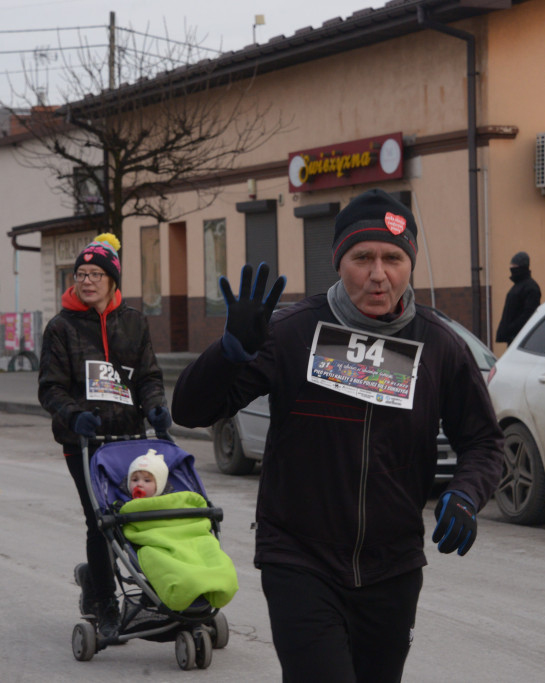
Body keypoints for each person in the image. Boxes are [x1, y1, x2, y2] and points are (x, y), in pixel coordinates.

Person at [171, 188, 504, 682]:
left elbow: (484, 441)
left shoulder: (439, 347)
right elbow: (192, 409)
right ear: (337, 261)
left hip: (392, 567)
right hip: (300, 560)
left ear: (409, 263)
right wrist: (230, 352)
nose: (378, 273)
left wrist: (466, 493)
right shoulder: (293, 332)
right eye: (362, 257)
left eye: (393, 258)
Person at [37, 232, 172, 639]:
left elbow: (147, 375)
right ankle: (104, 601)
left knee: (142, 517)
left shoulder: (132, 323)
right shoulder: (60, 327)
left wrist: (155, 407)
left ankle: (152, 594)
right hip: (83, 441)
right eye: (81, 274)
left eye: (96, 273)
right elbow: (50, 387)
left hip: (130, 438)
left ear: (113, 281)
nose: (87, 281)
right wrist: (73, 415)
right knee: (101, 522)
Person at [117, 449, 238, 612]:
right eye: (134, 479)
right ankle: (185, 586)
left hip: (188, 539)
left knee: (208, 548)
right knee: (158, 559)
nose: (139, 484)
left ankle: (212, 581)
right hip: (155, 545)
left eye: (147, 480)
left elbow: (192, 526)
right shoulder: (124, 506)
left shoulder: (174, 502)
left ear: (159, 485)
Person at [495, 250, 541, 346]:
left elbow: (528, 314)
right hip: (514, 337)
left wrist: (510, 328)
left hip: (520, 339)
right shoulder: (519, 286)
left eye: (514, 266)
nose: (511, 269)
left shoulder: (530, 287)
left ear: (521, 267)